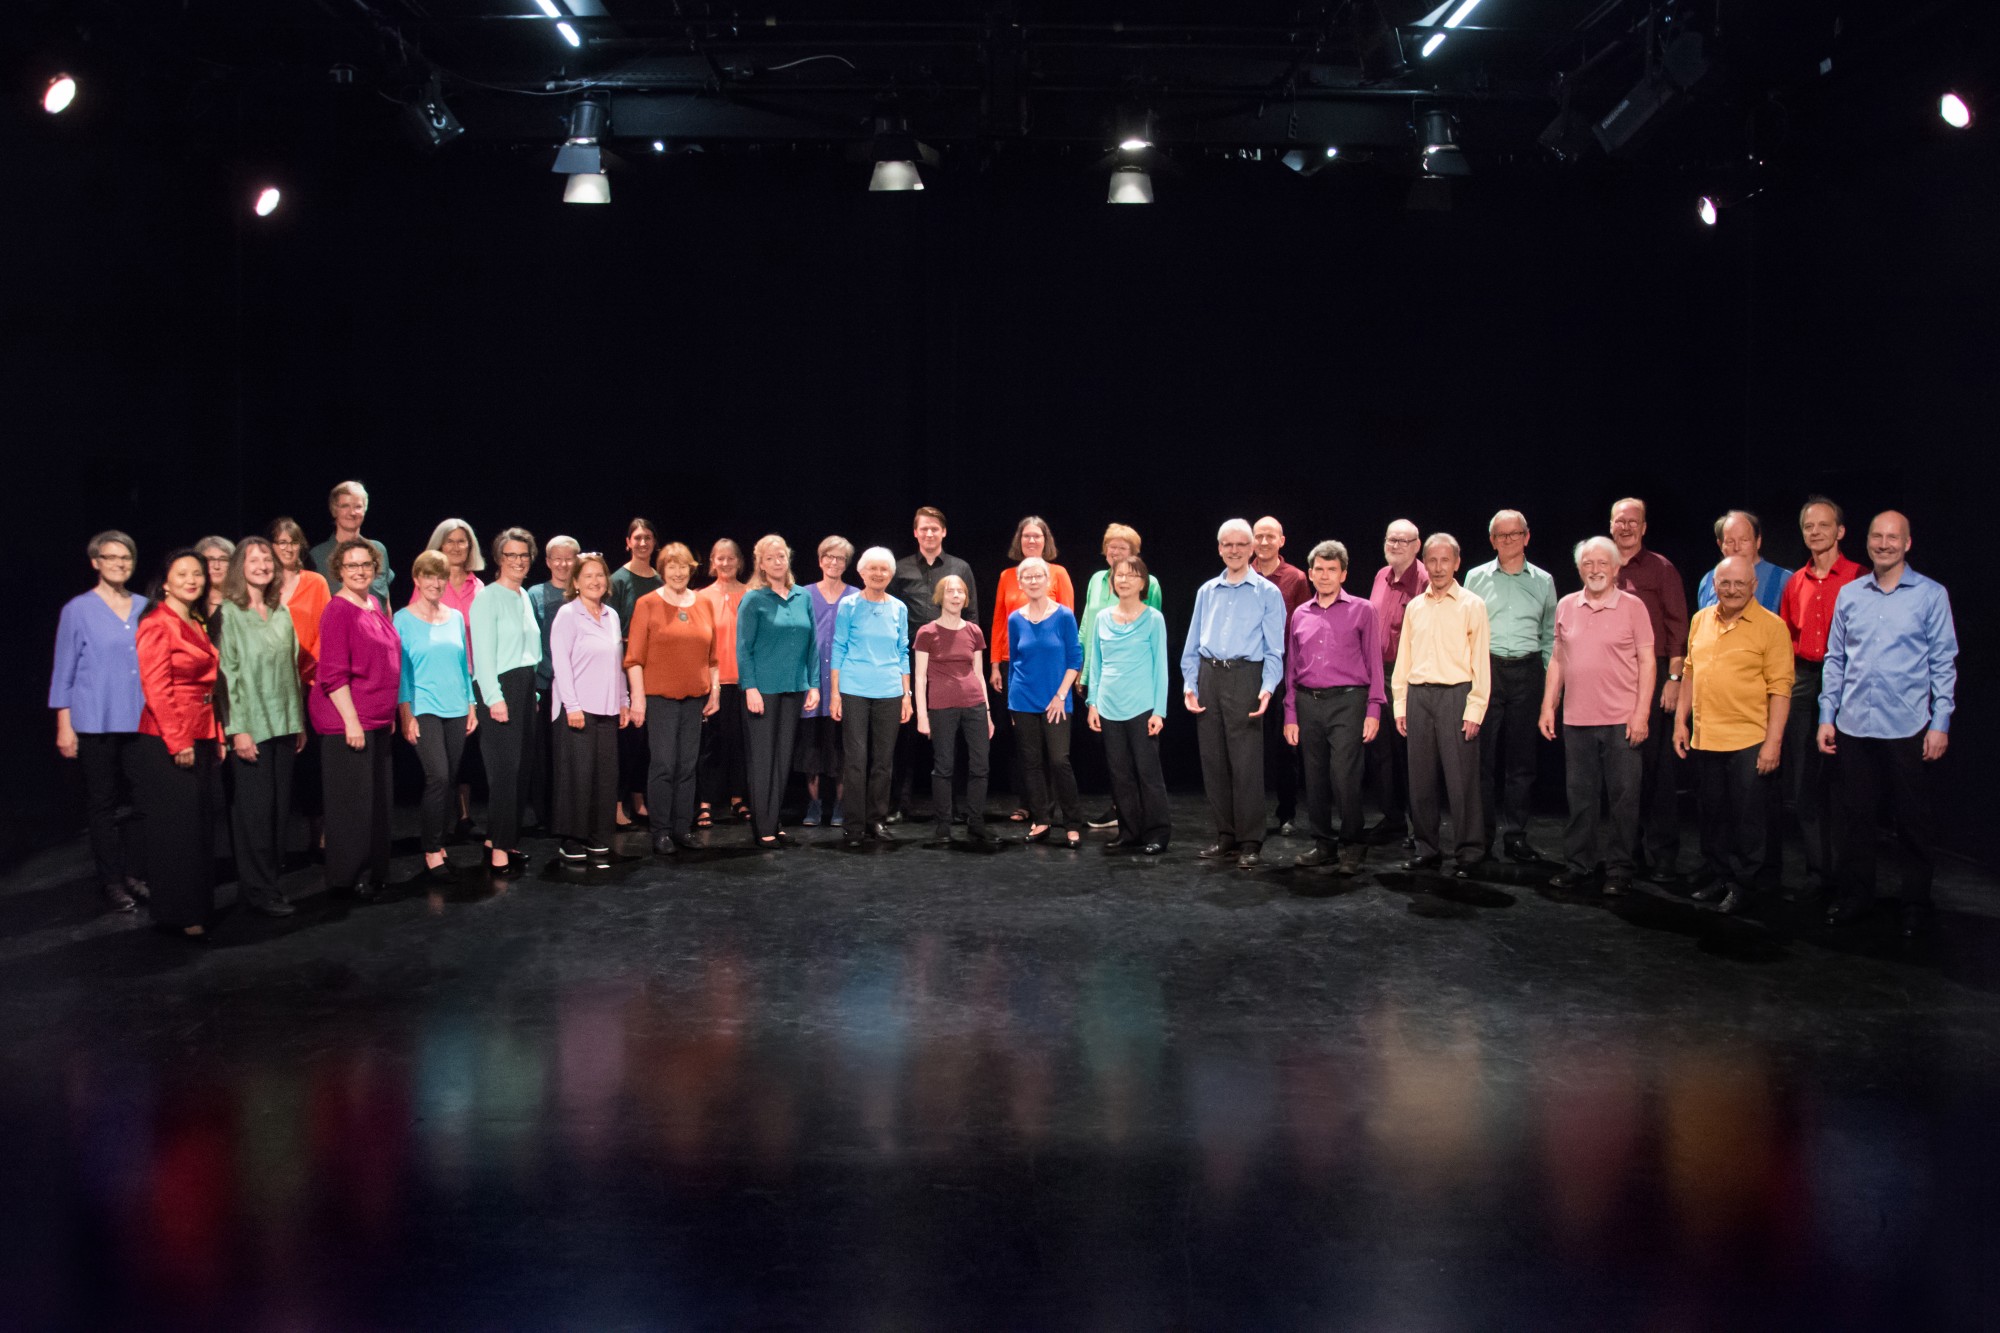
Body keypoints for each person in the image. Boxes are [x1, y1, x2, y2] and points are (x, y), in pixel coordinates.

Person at [1817, 511, 1958, 936]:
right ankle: (1857, 897)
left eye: (1892, 537)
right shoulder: (1850, 594)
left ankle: (1914, 903)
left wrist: (1941, 721)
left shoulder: (1931, 595)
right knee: (1856, 819)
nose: (1883, 544)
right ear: (1867, 541)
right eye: (1877, 536)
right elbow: (1835, 660)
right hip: (1854, 724)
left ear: (1907, 543)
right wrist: (1827, 715)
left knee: (1912, 822)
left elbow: (1943, 662)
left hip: (1907, 725)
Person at [1673, 556, 1793, 915]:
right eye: (1725, 583)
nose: (1732, 589)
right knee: (1713, 816)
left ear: (1754, 586)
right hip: (1707, 736)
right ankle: (1721, 876)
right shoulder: (1700, 620)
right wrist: (1680, 722)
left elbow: (1781, 689)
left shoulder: (1772, 627)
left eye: (1740, 583)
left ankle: (1745, 886)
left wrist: (1773, 743)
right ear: (1714, 586)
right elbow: (1689, 672)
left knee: (1747, 821)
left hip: (1749, 739)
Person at [1538, 537, 1655, 895]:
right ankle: (1579, 864)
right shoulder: (1567, 605)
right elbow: (1557, 658)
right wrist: (1548, 705)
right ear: (1579, 569)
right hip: (1577, 719)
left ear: (1617, 568)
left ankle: (1619, 869)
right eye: (1588, 563)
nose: (1595, 569)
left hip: (1622, 720)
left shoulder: (1633, 607)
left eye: (1603, 563)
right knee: (1580, 799)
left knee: (1623, 799)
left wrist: (1641, 714)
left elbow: (1648, 662)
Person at [50, 530, 151, 913]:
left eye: (126, 558)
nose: (120, 564)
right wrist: (64, 724)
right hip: (95, 718)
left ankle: (136, 873)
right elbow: (64, 670)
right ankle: (112, 880)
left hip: (140, 717)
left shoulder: (145, 606)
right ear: (96, 562)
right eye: (111, 557)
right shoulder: (77, 609)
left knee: (143, 799)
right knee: (103, 803)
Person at [1182, 518, 1287, 869]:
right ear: (1219, 549)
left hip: (1245, 676)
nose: (1234, 550)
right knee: (1213, 761)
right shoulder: (1207, 591)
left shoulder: (1267, 593)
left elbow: (1275, 649)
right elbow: (1192, 644)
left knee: (1246, 763)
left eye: (1241, 544)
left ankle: (1250, 840)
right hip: (1209, 675)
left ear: (1252, 548)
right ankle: (1225, 835)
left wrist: (1267, 688)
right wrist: (1190, 684)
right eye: (1228, 544)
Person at [133, 550, 222, 940]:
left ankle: (196, 905)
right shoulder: (157, 623)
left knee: (199, 824)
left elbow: (208, 687)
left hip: (200, 731)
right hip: (169, 737)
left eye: (197, 574)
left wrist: (215, 735)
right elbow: (156, 689)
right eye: (183, 574)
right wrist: (179, 740)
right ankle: (180, 912)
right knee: (178, 829)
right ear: (165, 583)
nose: (192, 580)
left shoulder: (195, 620)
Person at [1778, 496, 1863, 901]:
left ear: (1840, 531)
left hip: (1846, 682)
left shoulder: (1859, 578)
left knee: (1844, 783)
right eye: (1808, 526)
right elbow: (1785, 637)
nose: (1815, 532)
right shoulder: (1796, 581)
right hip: (1803, 678)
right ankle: (1817, 873)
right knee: (1805, 782)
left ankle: (1847, 875)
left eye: (1823, 525)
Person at [215, 536, 305, 916]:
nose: (263, 565)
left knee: (278, 812)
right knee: (254, 812)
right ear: (240, 566)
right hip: (251, 726)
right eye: (254, 560)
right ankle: (256, 890)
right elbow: (227, 675)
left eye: (267, 559)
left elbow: (292, 669)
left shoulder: (280, 610)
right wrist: (238, 729)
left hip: (284, 722)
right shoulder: (229, 613)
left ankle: (269, 885)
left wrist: (299, 722)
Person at [1392, 534, 1491, 878]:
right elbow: (1404, 658)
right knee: (1420, 780)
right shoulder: (1415, 607)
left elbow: (1480, 662)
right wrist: (1400, 704)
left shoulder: (1472, 605)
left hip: (1455, 695)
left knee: (1461, 781)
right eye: (1432, 560)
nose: (1437, 567)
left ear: (1456, 563)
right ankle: (1427, 848)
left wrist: (1475, 708)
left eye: (1444, 560)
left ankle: (1469, 852)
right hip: (1419, 697)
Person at [1282, 541, 1384, 875]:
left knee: (1344, 775)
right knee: (1314, 777)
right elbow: (1292, 667)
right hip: (1308, 701)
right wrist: (1290, 713)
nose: (1325, 576)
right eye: (1319, 570)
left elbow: (1374, 663)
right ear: (1310, 574)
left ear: (1343, 574)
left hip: (1348, 701)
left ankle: (1353, 843)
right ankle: (1323, 843)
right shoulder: (1301, 613)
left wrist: (1374, 709)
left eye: (1332, 570)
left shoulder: (1363, 610)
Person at [1463, 509, 1556, 862]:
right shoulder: (1475, 577)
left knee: (1521, 761)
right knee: (1481, 760)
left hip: (1527, 672)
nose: (1508, 540)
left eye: (1515, 534)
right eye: (1501, 535)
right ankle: (1482, 837)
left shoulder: (1544, 581)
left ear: (1526, 537)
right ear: (1492, 541)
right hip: (1487, 669)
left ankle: (1515, 836)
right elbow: (1465, 630)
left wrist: (1546, 683)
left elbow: (1549, 636)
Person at [312, 538, 401, 901]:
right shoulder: (338, 611)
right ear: (339, 570)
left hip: (376, 719)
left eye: (366, 565)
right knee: (353, 806)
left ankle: (374, 870)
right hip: (349, 722)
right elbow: (333, 674)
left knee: (377, 802)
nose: (360, 571)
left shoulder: (373, 604)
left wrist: (387, 713)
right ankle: (348, 877)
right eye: (352, 566)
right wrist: (351, 721)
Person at [1610, 497, 1690, 884]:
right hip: (1614, 676)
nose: (1625, 527)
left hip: (1654, 672)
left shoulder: (1661, 568)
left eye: (1633, 521)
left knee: (1656, 769)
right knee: (1624, 769)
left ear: (1643, 527)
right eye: (1619, 521)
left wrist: (1673, 681)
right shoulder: (1603, 566)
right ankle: (1629, 852)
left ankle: (1663, 855)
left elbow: (1678, 628)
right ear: (1611, 526)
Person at [625, 542, 720, 855]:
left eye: (683, 566)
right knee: (664, 765)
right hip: (660, 698)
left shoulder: (703, 603)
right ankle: (661, 831)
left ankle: (682, 828)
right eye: (672, 566)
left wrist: (715, 690)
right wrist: (638, 699)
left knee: (687, 766)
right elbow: (634, 658)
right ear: (662, 570)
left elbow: (712, 657)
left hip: (695, 698)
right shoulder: (647, 604)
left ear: (691, 569)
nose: (678, 572)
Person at [890, 507, 979, 822]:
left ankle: (954, 805)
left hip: (952, 663)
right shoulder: (900, 569)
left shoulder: (960, 568)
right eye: (924, 529)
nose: (929, 533)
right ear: (916, 533)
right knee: (906, 735)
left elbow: (971, 615)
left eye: (935, 528)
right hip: (911, 659)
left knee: (953, 735)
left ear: (944, 532)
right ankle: (899, 805)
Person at [396, 550, 479, 884]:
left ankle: (441, 844)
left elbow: (463, 664)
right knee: (439, 777)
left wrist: (471, 704)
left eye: (440, 576)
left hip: (456, 707)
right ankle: (431, 849)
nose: (435, 582)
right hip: (424, 708)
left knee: (451, 777)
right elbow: (402, 673)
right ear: (417, 579)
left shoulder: (455, 617)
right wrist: (406, 714)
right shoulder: (403, 619)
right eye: (428, 576)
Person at [988, 517, 1076, 824]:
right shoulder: (1007, 576)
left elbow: (1067, 620)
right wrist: (995, 663)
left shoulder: (1058, 573)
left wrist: (1069, 677)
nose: (1032, 541)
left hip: (1052, 667)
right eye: (1026, 536)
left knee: (1055, 751)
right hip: (1017, 666)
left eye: (1037, 536)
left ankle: (1053, 808)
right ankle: (1030, 804)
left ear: (1045, 540)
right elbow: (1000, 620)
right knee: (1025, 745)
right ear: (1019, 541)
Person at [736, 535, 822, 848]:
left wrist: (814, 684)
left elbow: (812, 644)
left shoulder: (802, 596)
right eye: (770, 558)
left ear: (788, 559)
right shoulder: (753, 599)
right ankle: (763, 827)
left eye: (781, 556)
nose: (777, 562)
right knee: (763, 759)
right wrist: (750, 687)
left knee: (783, 758)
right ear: (760, 563)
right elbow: (743, 647)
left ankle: (773, 822)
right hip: (763, 689)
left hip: (794, 686)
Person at [1077, 523, 1163, 831]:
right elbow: (1087, 626)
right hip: (1103, 682)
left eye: (1122, 548)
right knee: (1117, 763)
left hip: (1137, 687)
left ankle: (1151, 825)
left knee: (1144, 763)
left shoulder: (1151, 593)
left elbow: (1153, 648)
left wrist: (1157, 705)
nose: (1115, 552)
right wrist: (1083, 670)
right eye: (1110, 547)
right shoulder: (1096, 581)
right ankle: (1126, 820)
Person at [549, 553, 632, 866]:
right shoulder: (568, 614)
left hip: (607, 709)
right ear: (575, 583)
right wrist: (572, 705)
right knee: (577, 776)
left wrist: (623, 700)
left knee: (605, 776)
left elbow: (617, 663)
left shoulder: (611, 615)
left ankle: (599, 837)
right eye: (588, 576)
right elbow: (561, 663)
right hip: (578, 709)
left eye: (600, 575)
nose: (595, 581)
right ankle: (572, 839)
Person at [470, 528, 543, 876]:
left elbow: (528, 650)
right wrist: (494, 698)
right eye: (511, 555)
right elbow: (483, 655)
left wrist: (534, 693)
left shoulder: (524, 595)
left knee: (521, 770)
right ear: (499, 558)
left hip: (525, 688)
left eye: (524, 555)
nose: (518, 561)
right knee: (505, 772)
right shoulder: (487, 597)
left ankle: (501, 839)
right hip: (500, 689)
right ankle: (498, 848)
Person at [1086, 556, 1171, 854]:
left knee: (1148, 773)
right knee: (1119, 773)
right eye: (1118, 575)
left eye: (1130, 575)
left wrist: (1159, 710)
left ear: (1142, 582)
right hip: (1109, 706)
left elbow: (1161, 667)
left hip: (1142, 706)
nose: (1123, 580)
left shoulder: (1153, 619)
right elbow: (1096, 664)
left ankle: (1157, 833)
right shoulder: (1102, 618)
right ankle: (1129, 831)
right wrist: (1093, 703)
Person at [832, 547, 912, 843]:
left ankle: (876, 820)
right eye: (873, 568)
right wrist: (835, 693)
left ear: (891, 574)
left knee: (883, 760)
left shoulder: (899, 608)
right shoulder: (849, 605)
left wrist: (906, 695)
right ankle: (853, 825)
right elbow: (839, 647)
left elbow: (903, 652)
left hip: (889, 691)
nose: (878, 574)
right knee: (856, 759)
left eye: (884, 569)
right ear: (862, 572)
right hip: (854, 689)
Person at [1007, 558, 1085, 848]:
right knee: (1031, 762)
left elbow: (1075, 659)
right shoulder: (1015, 619)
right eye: (1027, 577)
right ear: (1020, 583)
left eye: (1038, 575)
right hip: (1022, 699)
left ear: (1048, 580)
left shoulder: (1064, 616)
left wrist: (1061, 696)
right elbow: (1014, 661)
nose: (1033, 580)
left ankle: (1072, 823)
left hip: (1057, 700)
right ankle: (1041, 820)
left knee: (1059, 761)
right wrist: (1012, 703)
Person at [914, 574, 996, 848]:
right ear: (941, 597)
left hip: (974, 704)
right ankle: (943, 826)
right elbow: (920, 677)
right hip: (942, 707)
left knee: (980, 766)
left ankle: (976, 823)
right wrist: (922, 715)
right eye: (950, 591)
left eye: (960, 591)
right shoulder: (927, 632)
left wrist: (987, 713)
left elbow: (979, 674)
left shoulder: (974, 631)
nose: (956, 595)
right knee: (944, 767)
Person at [418, 518, 485, 832]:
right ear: (440, 545)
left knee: (466, 755)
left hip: (472, 679)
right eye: (451, 541)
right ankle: (440, 823)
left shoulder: (479, 587)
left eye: (462, 541)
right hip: (436, 682)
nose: (457, 547)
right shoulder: (429, 584)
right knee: (440, 762)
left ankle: (464, 816)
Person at [271, 516, 331, 849]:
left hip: (310, 681)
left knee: (313, 764)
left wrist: (314, 672)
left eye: (293, 542)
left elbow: (325, 629)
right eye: (281, 542)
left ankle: (318, 837)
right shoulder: (264, 584)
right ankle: (276, 842)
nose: (288, 548)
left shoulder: (315, 582)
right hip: (273, 684)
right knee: (279, 765)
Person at [1366, 519, 1425, 846]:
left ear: (1417, 545)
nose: (1396, 545)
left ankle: (1420, 826)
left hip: (1408, 677)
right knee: (1381, 752)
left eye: (1403, 541)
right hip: (1377, 674)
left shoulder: (1425, 580)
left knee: (1409, 754)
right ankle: (1393, 819)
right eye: (1392, 539)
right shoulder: (1380, 576)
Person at [1252, 516, 1311, 835]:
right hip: (1249, 668)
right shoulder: (1242, 574)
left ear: (1281, 541)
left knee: (1284, 744)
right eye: (1258, 536)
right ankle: (1250, 813)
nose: (1263, 542)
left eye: (1270, 536)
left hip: (1284, 667)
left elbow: (1303, 625)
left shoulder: (1296, 578)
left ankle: (1286, 813)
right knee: (1249, 745)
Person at [795, 536, 856, 828]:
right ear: (820, 561)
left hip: (844, 685)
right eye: (829, 557)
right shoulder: (804, 594)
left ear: (846, 564)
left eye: (840, 558)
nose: (834, 562)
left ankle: (841, 805)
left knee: (841, 749)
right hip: (812, 684)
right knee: (812, 748)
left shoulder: (855, 596)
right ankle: (814, 804)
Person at [608, 518, 663, 827]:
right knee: (627, 739)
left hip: (656, 667)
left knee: (647, 742)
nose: (643, 543)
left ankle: (639, 799)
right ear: (628, 542)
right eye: (637, 537)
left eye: (648, 537)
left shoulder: (660, 580)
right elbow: (612, 627)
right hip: (628, 665)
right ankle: (617, 803)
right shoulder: (618, 580)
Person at [528, 535, 580, 829]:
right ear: (548, 562)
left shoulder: (584, 591)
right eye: (557, 559)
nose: (563, 564)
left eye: (569, 558)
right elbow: (531, 640)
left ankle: (570, 812)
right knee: (543, 753)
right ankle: (545, 816)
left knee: (571, 753)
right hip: (545, 684)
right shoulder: (535, 594)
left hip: (578, 685)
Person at [697, 538, 750, 826]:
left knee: (740, 743)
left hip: (744, 682)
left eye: (731, 558)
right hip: (713, 683)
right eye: (720, 558)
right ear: (712, 562)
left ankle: (738, 798)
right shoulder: (701, 597)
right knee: (712, 744)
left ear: (739, 561)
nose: (726, 563)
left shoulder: (751, 594)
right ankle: (705, 801)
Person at [308, 480, 393, 604]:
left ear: (365, 509)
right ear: (334, 510)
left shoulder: (378, 550)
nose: (352, 513)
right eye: (345, 506)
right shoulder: (317, 556)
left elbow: (385, 601)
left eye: (358, 507)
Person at [1695, 510, 1790, 612]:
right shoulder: (1708, 581)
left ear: (1758, 542)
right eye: (1730, 541)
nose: (1737, 548)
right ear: (1720, 545)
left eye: (1744, 540)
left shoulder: (1784, 580)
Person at [193, 536, 235, 626]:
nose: (216, 566)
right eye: (210, 559)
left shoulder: (241, 605)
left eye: (223, 559)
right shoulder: (190, 603)